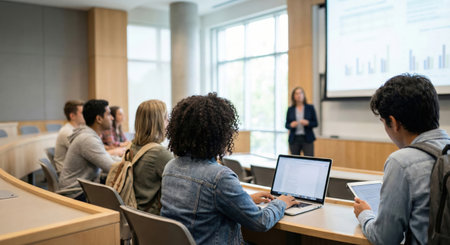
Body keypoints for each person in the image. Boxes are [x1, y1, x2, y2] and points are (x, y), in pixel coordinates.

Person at [160, 93, 298, 245]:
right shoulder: (219, 177)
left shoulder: (170, 168)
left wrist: (245, 201)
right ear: (219, 135)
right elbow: (261, 222)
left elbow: (200, 208)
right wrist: (282, 202)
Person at [353, 74, 450, 245]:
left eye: (384, 122)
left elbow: (385, 239)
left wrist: (365, 214)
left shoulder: (402, 162)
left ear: (394, 122)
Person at [59, 99, 118, 200]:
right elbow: (112, 168)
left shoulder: (89, 135)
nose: (112, 118)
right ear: (99, 119)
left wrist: (127, 160)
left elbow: (107, 157)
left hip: (84, 186)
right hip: (76, 193)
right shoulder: (88, 139)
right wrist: (132, 162)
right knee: (120, 192)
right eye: (109, 114)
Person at [131, 100, 173, 214]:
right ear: (157, 122)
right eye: (166, 118)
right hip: (154, 216)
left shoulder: (132, 147)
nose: (168, 122)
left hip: (136, 214)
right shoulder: (159, 153)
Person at [285, 87, 318, 156]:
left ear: (303, 95)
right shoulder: (290, 109)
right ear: (294, 96)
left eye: (300, 93)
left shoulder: (310, 108)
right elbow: (286, 125)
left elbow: (315, 123)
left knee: (309, 160)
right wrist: (291, 125)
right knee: (295, 161)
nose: (299, 95)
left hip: (307, 138)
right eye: (296, 93)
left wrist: (308, 123)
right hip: (294, 139)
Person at [54, 100, 85, 174]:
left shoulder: (78, 128)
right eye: (82, 113)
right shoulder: (67, 132)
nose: (86, 115)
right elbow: (85, 153)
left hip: (74, 169)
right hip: (69, 175)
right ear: (72, 116)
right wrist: (113, 152)